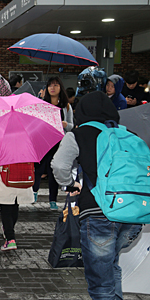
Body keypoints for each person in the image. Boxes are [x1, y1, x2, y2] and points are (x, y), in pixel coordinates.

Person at [51, 91, 142, 300]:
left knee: (101, 282)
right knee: (111, 267)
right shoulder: (129, 134)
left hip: (98, 212)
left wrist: (69, 184)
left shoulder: (78, 134)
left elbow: (58, 165)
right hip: (131, 214)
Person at [33, 76, 73, 210]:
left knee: (52, 171)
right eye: (50, 85)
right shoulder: (42, 104)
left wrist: (65, 124)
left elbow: (72, 126)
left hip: (59, 142)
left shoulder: (66, 106)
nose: (53, 88)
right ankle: (34, 192)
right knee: (38, 168)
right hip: (43, 141)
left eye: (56, 85)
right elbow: (35, 121)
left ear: (60, 88)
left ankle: (53, 199)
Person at [0, 159, 34, 251]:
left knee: (6, 209)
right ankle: (9, 230)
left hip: (6, 178)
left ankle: (10, 239)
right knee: (15, 206)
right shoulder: (26, 145)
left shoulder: (2, 144)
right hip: (22, 178)